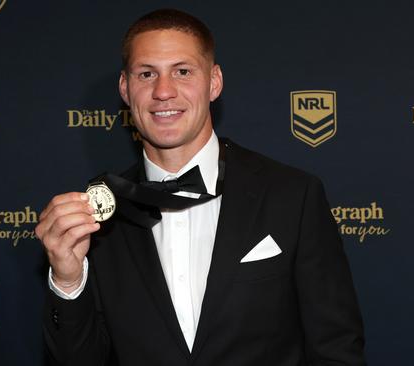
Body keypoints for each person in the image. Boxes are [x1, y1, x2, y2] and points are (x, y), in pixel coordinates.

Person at [36, 8, 366, 366]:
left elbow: (336, 348)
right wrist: (67, 282)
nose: (163, 91)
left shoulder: (293, 196)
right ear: (125, 89)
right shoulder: (97, 217)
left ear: (214, 82)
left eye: (182, 71)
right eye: (147, 74)